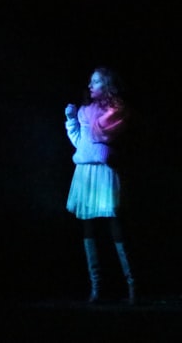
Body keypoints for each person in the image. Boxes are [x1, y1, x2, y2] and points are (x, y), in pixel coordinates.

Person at [65, 67, 136, 304]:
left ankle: (132, 285)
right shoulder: (85, 110)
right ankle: (96, 287)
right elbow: (81, 143)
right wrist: (72, 122)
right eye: (89, 82)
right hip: (85, 171)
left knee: (115, 224)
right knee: (89, 228)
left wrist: (90, 119)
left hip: (104, 171)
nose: (90, 86)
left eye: (95, 82)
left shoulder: (115, 110)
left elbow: (101, 133)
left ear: (107, 85)